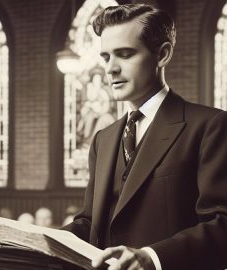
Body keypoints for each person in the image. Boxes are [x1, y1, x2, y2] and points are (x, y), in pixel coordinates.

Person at [63, 3, 227, 270]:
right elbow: (90, 224)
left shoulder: (210, 126)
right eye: (105, 57)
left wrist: (151, 257)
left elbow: (223, 225)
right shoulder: (102, 139)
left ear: (162, 54)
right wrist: (40, 240)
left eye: (124, 54)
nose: (110, 69)